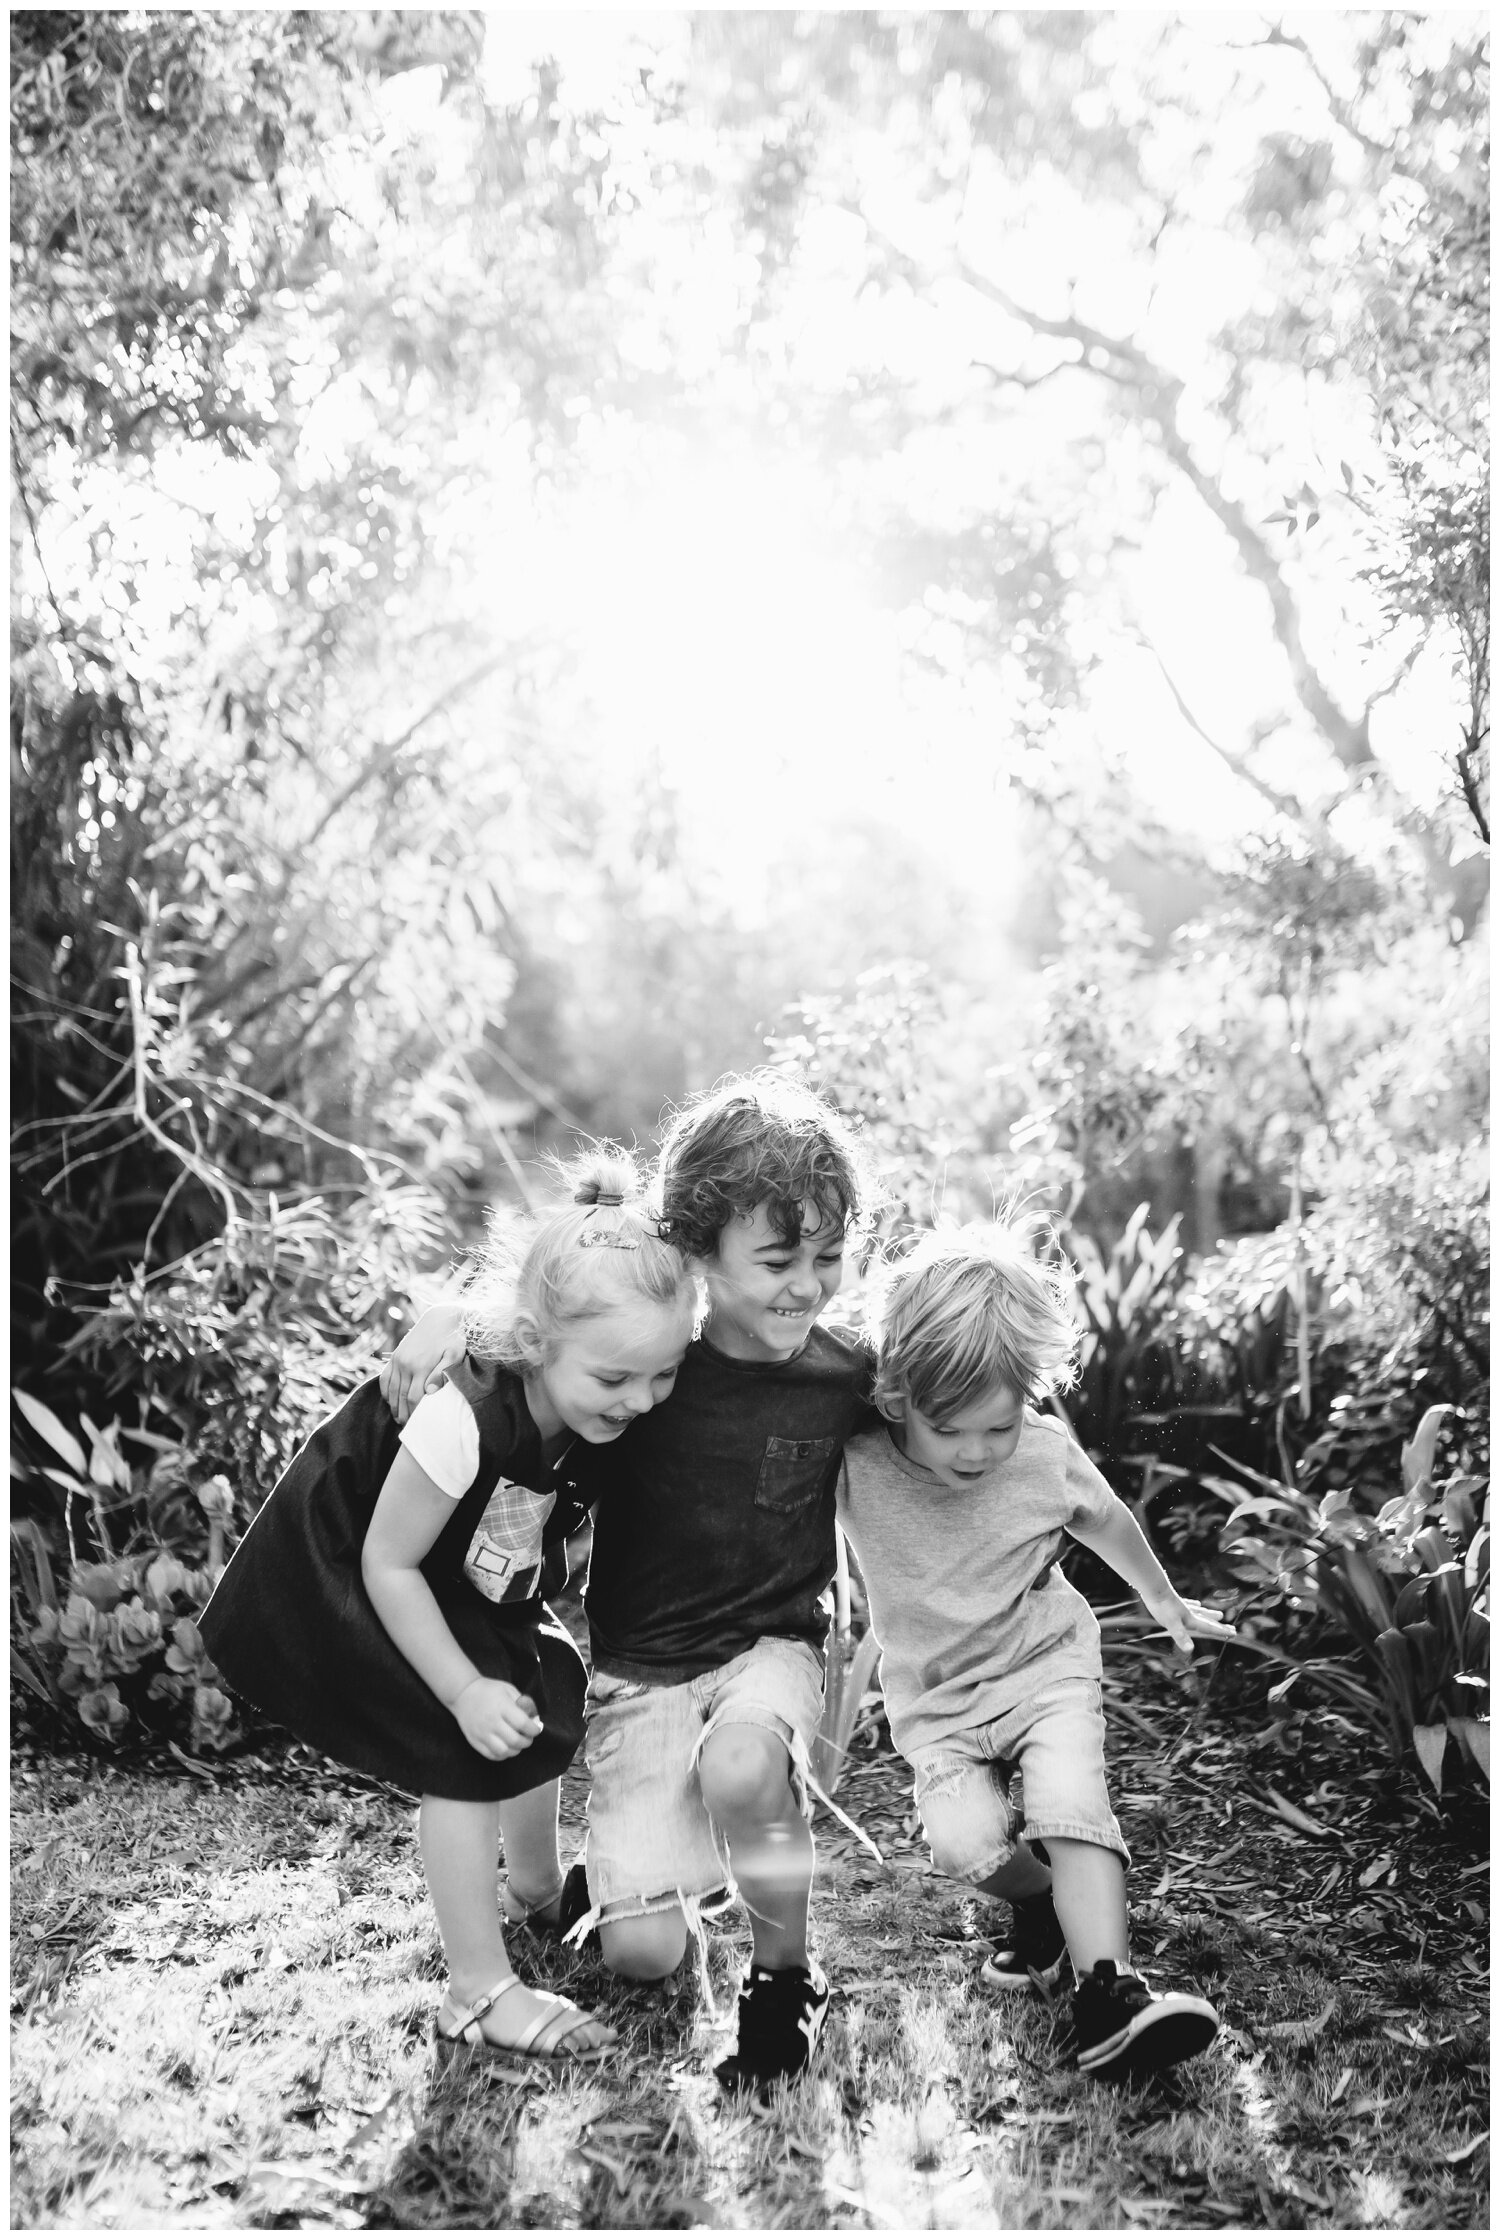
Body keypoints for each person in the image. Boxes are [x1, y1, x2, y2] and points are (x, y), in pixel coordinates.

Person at [383, 1073, 880, 2091]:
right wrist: (457, 1320)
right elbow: (556, 1320)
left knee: (743, 1765)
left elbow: (955, 1384)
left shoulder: (846, 1373)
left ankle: (785, 1976)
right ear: (696, 1249)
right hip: (643, 1668)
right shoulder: (651, 1365)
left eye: (828, 1257)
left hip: (771, 1644)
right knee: (643, 1957)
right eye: (778, 1260)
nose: (807, 1285)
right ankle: (644, 1880)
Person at [200, 1150, 700, 2064]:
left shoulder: (593, 1388)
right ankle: (476, 1991)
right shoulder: (461, 1415)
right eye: (616, 1381)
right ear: (536, 1344)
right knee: (467, 1744)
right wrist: (463, 1691)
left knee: (543, 1683)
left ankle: (536, 1891)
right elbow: (387, 1563)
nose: (641, 1401)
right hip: (356, 1563)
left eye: (660, 1376)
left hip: (456, 1571)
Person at [837, 1219, 1234, 2084]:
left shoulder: (1045, 1454)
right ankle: (1044, 1907)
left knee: (1068, 1802)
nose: (978, 1452)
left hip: (1044, 1664)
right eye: (951, 1430)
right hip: (937, 1699)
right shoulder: (856, 1460)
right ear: (897, 1398)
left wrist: (1161, 1596)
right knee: (963, 1842)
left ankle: (1110, 1991)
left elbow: (1105, 1519)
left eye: (999, 1426)